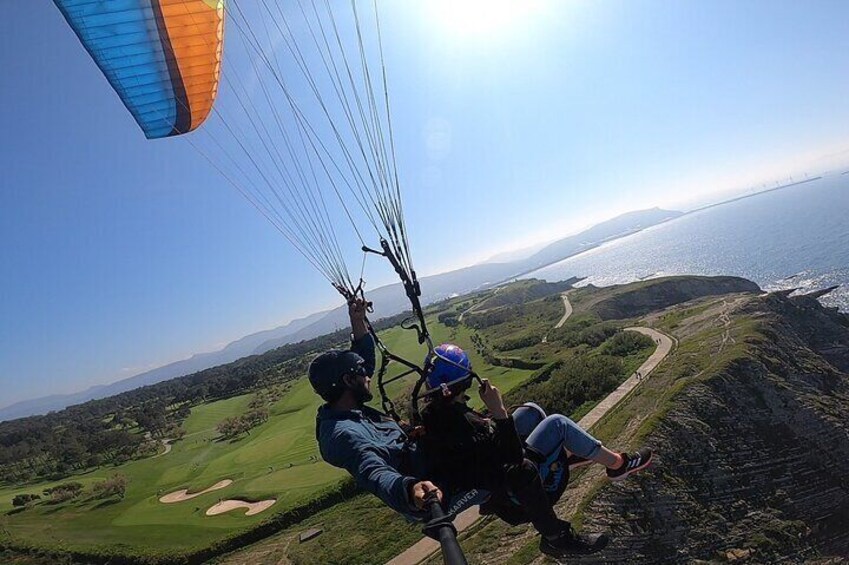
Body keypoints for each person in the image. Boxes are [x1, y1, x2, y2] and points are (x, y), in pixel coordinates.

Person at [419, 343, 654, 557]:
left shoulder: (434, 415)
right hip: (514, 491)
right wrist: (499, 412)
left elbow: (480, 447)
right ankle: (618, 465)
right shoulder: (464, 422)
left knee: (531, 412)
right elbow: (513, 460)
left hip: (487, 472)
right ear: (466, 380)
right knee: (557, 424)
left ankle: (564, 456)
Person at [310, 297, 439, 521]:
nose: (369, 376)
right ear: (349, 380)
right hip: (426, 479)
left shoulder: (347, 403)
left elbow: (364, 361)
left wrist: (357, 320)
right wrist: (409, 490)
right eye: (362, 374)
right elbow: (373, 472)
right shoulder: (342, 435)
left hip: (423, 453)